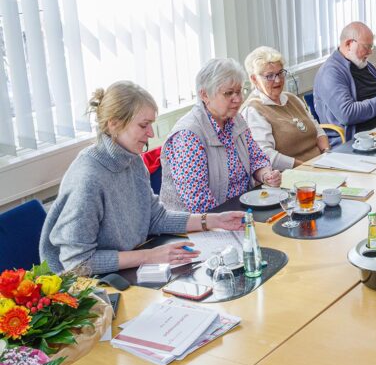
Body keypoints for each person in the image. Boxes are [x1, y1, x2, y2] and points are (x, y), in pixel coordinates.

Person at [40, 82, 244, 274]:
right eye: (143, 125)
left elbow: (155, 218)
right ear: (114, 124)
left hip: (125, 268)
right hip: (83, 289)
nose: (151, 133)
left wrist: (213, 220)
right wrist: (150, 256)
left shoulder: (132, 160)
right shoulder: (88, 178)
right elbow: (78, 263)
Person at [160, 58, 282, 212]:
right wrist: (232, 221)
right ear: (204, 95)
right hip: (199, 223)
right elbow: (198, 201)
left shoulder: (236, 119)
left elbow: (256, 158)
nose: (237, 99)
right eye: (228, 93)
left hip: (240, 210)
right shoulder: (188, 135)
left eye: (239, 91)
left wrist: (266, 175)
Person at [313, 21, 376, 146]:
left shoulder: (364, 64)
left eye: (371, 47)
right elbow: (347, 114)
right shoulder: (331, 73)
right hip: (359, 141)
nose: (370, 52)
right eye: (366, 47)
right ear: (348, 44)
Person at [241, 46, 329, 170]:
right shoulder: (253, 110)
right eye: (269, 76)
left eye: (280, 73)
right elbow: (267, 156)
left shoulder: (291, 99)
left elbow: (318, 131)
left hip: (319, 166)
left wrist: (326, 154)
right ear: (254, 79)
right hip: (291, 175)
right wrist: (305, 167)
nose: (277, 80)